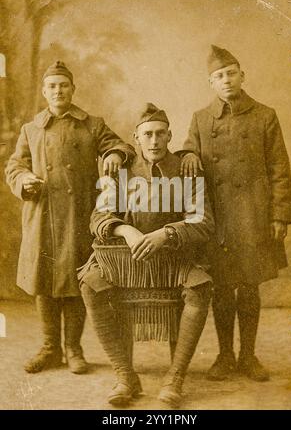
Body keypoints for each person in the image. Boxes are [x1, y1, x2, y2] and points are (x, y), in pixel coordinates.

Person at [79, 103, 215, 407]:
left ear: (170, 136)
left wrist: (166, 233)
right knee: (91, 284)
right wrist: (125, 230)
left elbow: (204, 221)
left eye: (160, 134)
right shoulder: (121, 171)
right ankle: (125, 375)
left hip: (175, 257)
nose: (154, 141)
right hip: (128, 257)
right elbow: (98, 217)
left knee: (199, 286)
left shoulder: (186, 170)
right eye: (147, 135)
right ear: (136, 138)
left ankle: (175, 377)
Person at [5, 61, 135, 375]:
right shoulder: (31, 128)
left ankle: (74, 349)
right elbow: (14, 166)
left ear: (73, 89)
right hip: (43, 217)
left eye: (64, 85)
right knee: (44, 281)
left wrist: (114, 154)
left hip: (79, 216)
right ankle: (51, 348)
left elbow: (121, 145)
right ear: (44, 91)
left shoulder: (91, 123)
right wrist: (23, 180)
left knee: (78, 281)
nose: (58, 90)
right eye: (52, 86)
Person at [179, 45, 291, 382]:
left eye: (231, 73)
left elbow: (280, 170)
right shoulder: (201, 118)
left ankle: (248, 356)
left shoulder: (264, 116)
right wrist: (187, 153)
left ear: (242, 76)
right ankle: (225, 355)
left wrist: (279, 215)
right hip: (217, 221)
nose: (226, 80)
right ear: (210, 83)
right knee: (222, 288)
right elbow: (188, 146)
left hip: (254, 218)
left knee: (250, 287)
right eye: (219, 76)